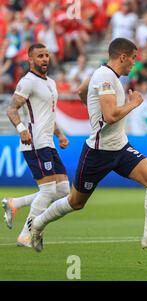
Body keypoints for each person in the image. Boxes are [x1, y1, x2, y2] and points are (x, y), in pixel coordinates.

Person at [28, 38, 147, 256]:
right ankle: (38, 223)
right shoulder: (106, 77)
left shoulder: (102, 73)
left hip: (120, 147)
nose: (134, 64)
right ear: (123, 57)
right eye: (133, 58)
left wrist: (93, 108)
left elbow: (80, 91)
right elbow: (110, 115)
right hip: (97, 153)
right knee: (76, 202)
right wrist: (133, 103)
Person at [2, 43, 70, 247]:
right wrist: (22, 129)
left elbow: (48, 114)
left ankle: (15, 203)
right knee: (48, 191)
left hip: (48, 142)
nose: (45, 59)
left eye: (47, 55)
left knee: (64, 190)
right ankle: (26, 234)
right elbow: (11, 109)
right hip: (34, 143)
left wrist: (60, 134)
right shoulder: (28, 82)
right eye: (40, 56)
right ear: (30, 60)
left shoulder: (51, 82)